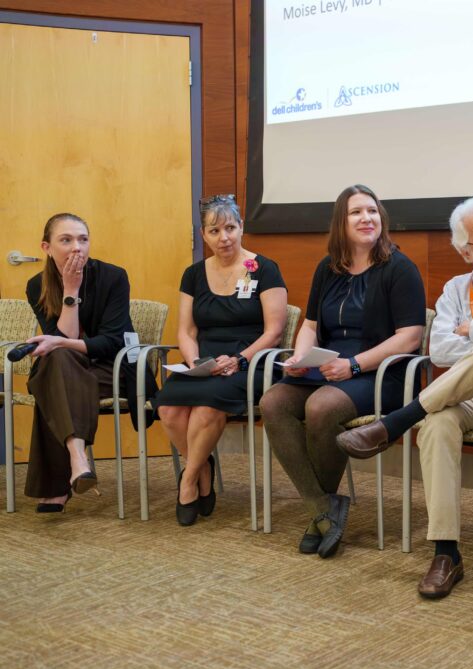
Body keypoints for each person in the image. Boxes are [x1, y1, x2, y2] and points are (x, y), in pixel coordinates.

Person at [338, 196, 473, 599]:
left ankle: (396, 421)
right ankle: (446, 552)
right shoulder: (455, 288)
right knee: (439, 421)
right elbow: (438, 350)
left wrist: (472, 327)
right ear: (464, 252)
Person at [259, 185, 426, 559]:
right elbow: (311, 324)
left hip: (381, 373)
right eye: (356, 212)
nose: (367, 218)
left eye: (372, 211)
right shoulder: (328, 268)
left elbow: (410, 336)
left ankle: (321, 513)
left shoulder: (400, 268)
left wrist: (353, 365)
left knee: (321, 407)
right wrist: (302, 357)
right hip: (327, 368)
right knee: (273, 402)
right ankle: (321, 507)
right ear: (341, 222)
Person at [151, 195, 287, 527]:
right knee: (167, 407)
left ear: (241, 227)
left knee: (207, 408)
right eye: (214, 230)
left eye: (230, 228)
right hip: (206, 359)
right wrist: (197, 361)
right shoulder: (194, 274)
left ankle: (188, 481)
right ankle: (204, 467)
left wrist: (239, 360)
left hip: (249, 360)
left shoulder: (264, 269)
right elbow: (186, 330)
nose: (223, 237)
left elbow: (274, 332)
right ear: (204, 234)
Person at [23, 213, 153, 513]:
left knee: (53, 376)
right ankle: (77, 460)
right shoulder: (36, 285)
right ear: (46, 247)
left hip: (116, 366)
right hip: (68, 368)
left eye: (83, 239)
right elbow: (62, 340)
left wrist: (60, 342)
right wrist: (71, 291)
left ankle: (67, 472)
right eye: (66, 240)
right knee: (56, 366)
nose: (76, 247)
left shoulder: (113, 276)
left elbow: (111, 341)